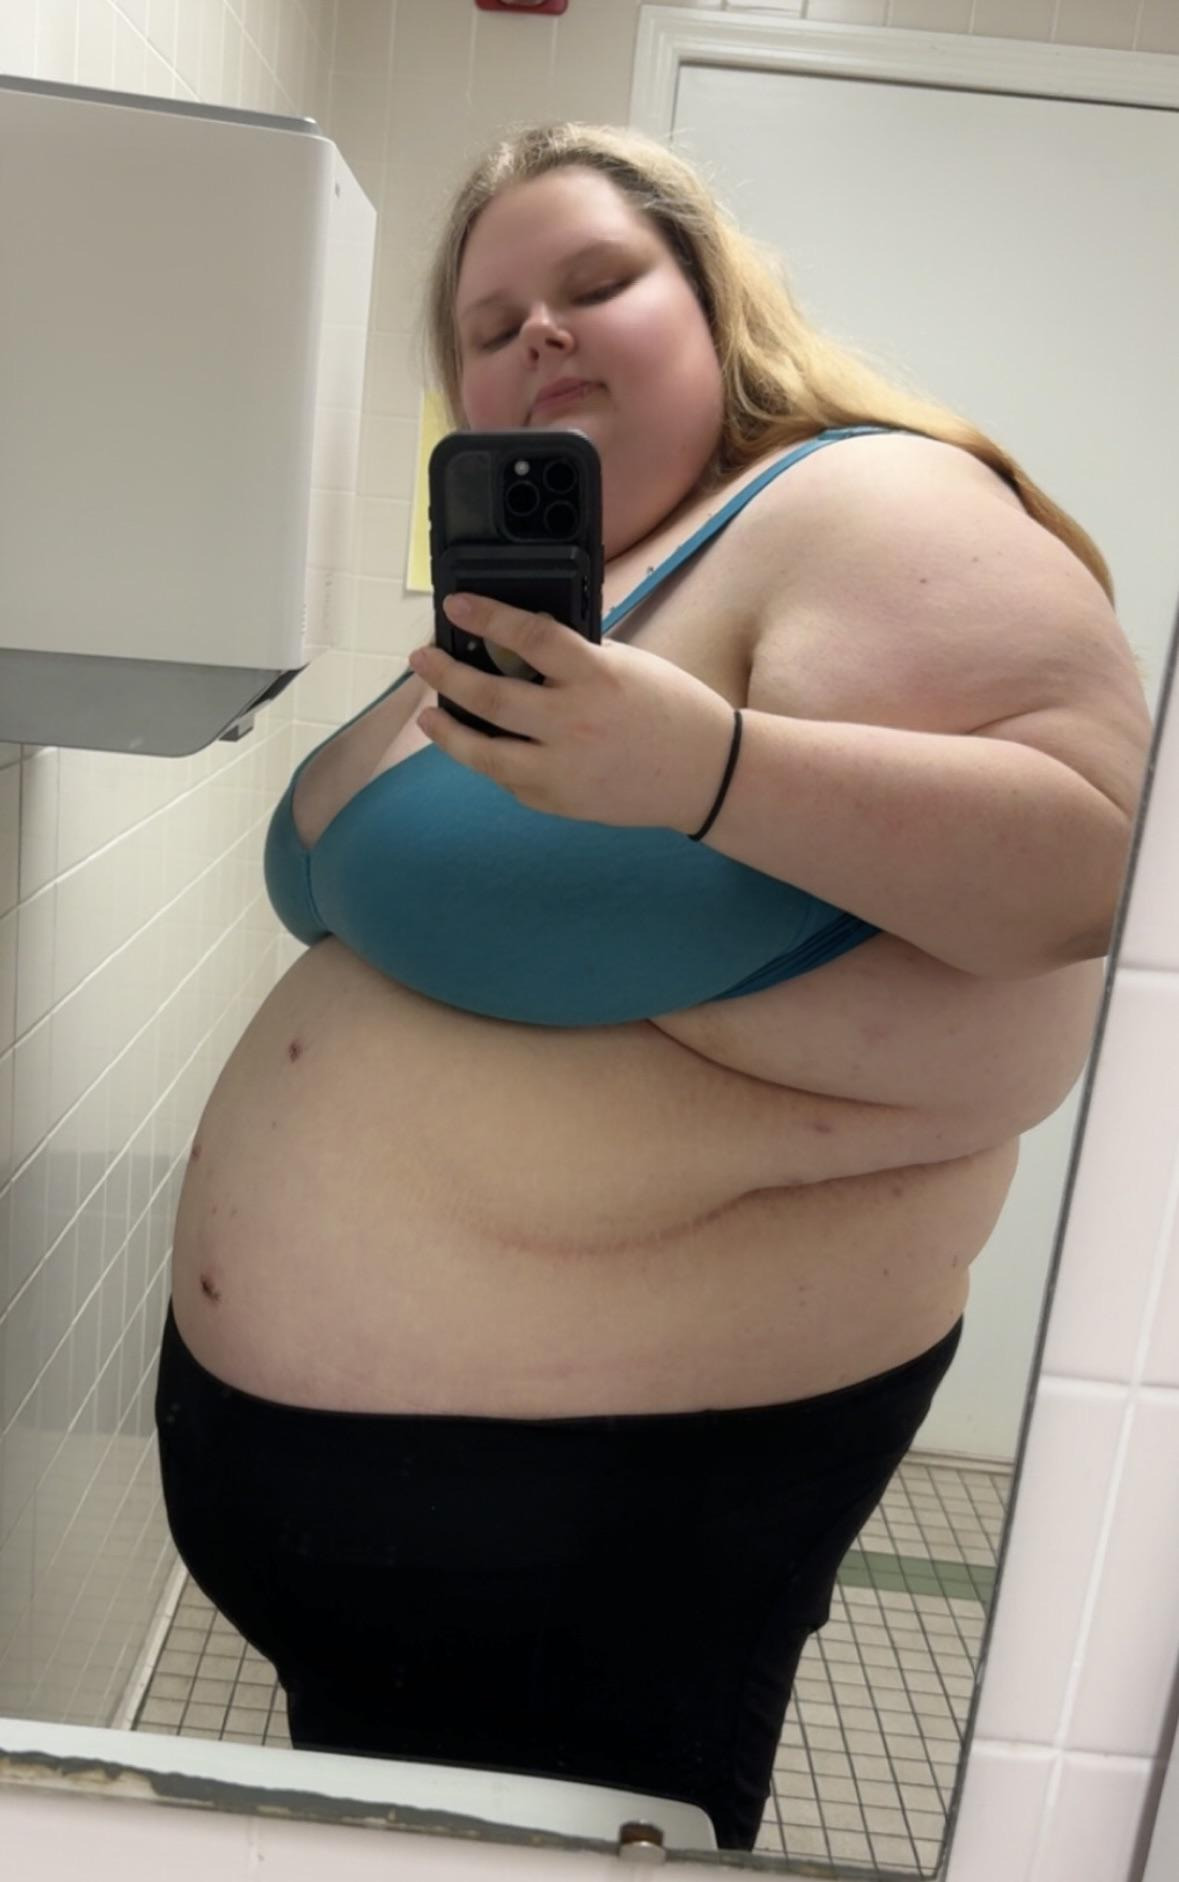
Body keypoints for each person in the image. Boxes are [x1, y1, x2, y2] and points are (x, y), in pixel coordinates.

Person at [154, 123, 1152, 1850]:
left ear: (715, 301)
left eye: (596, 281)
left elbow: (1103, 861)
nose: (536, 332)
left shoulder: (860, 502)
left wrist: (709, 770)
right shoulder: (551, 605)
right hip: (400, 1542)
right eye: (489, 324)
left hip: (602, 1536)